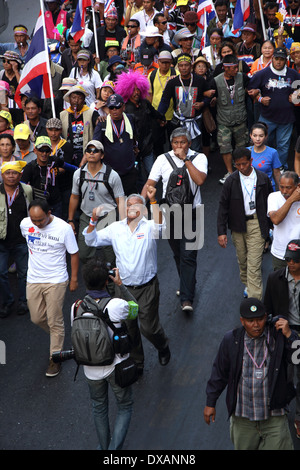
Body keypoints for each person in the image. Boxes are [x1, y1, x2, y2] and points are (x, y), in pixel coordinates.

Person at [83, 187, 171, 374]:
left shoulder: (149, 226)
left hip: (147, 287)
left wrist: (153, 199)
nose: (131, 208)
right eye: (128, 205)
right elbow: (91, 240)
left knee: (149, 328)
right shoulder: (116, 228)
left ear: (144, 210)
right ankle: (138, 362)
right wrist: (93, 219)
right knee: (129, 328)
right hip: (123, 289)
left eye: (136, 205)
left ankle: (162, 346)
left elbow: (161, 228)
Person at [204, 297, 297, 450]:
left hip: (274, 417)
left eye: (260, 319)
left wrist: (290, 335)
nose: (256, 325)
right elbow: (219, 373)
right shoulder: (231, 340)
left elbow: (298, 359)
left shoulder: (278, 336)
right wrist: (210, 402)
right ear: (242, 321)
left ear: (266, 317)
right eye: (250, 321)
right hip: (243, 419)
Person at [70, 259, 137, 450]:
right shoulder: (116, 305)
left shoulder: (76, 307)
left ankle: (104, 446)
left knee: (99, 408)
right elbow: (135, 308)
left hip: (90, 371)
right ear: (106, 281)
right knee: (124, 406)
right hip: (115, 368)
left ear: (85, 281)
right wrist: (120, 285)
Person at [142, 127, 207, 311]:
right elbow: (150, 183)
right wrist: (139, 206)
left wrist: (186, 159)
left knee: (189, 256)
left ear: (189, 143)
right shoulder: (162, 159)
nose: (179, 146)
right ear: (171, 143)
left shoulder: (199, 158)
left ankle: (186, 299)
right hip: (170, 214)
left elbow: (200, 180)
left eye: (183, 142)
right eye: (175, 143)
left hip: (192, 213)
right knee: (178, 254)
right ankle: (187, 284)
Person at [20, 199, 79, 377]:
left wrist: (74, 279)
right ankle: (58, 333)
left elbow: (74, 254)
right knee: (36, 318)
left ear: (49, 213)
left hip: (56, 280)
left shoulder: (64, 229)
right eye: (33, 220)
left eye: (40, 220)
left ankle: (55, 358)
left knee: (54, 319)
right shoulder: (25, 224)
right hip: (34, 279)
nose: (37, 224)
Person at [217, 147, 273, 300]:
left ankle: (255, 306)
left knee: (254, 266)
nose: (241, 167)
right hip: (237, 226)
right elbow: (223, 206)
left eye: (244, 164)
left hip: (257, 223)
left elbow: (271, 202)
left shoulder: (262, 178)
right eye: (238, 165)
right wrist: (221, 232)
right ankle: (249, 285)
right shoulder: (231, 181)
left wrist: (272, 226)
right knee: (243, 262)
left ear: (251, 161)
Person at [264, 239, 300, 439]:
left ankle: (299, 417)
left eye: (295, 260)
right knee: (284, 374)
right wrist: (276, 322)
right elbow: (265, 309)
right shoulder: (274, 279)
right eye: (288, 259)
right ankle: (283, 404)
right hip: (283, 335)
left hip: (296, 337)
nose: (291, 263)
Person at [68, 139, 125, 264]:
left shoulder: (112, 175)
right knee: (83, 254)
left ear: (102, 155)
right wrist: (71, 220)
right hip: (87, 216)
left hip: (108, 218)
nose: (91, 153)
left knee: (111, 257)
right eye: (88, 150)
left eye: (95, 151)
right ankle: (95, 274)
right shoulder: (78, 174)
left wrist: (122, 223)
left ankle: (110, 280)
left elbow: (120, 200)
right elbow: (74, 196)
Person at [248, 47, 300, 171]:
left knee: (283, 146)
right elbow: (250, 90)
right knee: (263, 143)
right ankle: (261, 167)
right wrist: (260, 99)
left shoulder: (293, 74)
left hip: (287, 118)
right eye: (276, 58)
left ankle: (280, 167)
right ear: (272, 59)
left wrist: (295, 97)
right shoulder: (263, 74)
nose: (278, 62)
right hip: (267, 117)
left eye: (281, 59)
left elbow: (298, 91)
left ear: (285, 60)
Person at [115, 70, 165, 190]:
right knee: (138, 177)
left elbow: (154, 113)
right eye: (133, 90)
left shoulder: (145, 103)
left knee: (152, 173)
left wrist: (161, 119)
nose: (136, 93)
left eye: (138, 89)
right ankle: (143, 199)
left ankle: (150, 195)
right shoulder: (124, 107)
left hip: (147, 145)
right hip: (133, 148)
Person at [210, 55, 250, 184]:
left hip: (240, 119)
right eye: (233, 68)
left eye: (236, 67)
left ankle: (242, 171)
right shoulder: (216, 81)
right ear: (225, 68)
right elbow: (207, 93)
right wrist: (209, 97)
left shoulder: (243, 78)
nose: (236, 70)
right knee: (225, 147)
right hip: (223, 121)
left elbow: (253, 86)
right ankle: (230, 172)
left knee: (241, 147)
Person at [157, 53, 209, 152]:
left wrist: (203, 103)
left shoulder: (200, 81)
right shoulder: (173, 83)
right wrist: (159, 116)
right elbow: (165, 101)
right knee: (179, 148)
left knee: (195, 149)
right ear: (178, 67)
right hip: (178, 121)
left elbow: (208, 97)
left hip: (195, 121)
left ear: (191, 66)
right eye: (181, 65)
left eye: (186, 65)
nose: (184, 68)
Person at [0, 160, 32, 318]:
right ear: (2, 175)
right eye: (8, 173)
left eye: (14, 173)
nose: (11, 176)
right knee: (1, 273)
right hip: (2, 241)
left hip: (21, 240)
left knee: (24, 273)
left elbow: (32, 212)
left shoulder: (27, 190)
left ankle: (23, 301)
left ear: (20, 175)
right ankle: (7, 301)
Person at [93, 93, 138, 196]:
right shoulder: (102, 123)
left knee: (129, 203)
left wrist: (135, 147)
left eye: (117, 107)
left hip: (129, 171)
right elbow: (95, 145)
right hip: (110, 173)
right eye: (111, 107)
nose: (114, 110)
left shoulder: (130, 119)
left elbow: (135, 135)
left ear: (123, 107)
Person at [21, 136, 63, 218]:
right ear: (35, 151)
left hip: (55, 204)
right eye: (41, 150)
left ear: (50, 151)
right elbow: (22, 186)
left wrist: (58, 171)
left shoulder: (55, 160)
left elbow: (69, 167)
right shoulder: (30, 167)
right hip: (38, 206)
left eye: (47, 151)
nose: (44, 154)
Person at [267, 171, 300, 270]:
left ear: (297, 186)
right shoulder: (273, 197)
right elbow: (276, 220)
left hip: (299, 254)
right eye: (281, 187)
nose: (284, 191)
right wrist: (291, 200)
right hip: (280, 253)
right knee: (280, 284)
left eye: (288, 188)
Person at [60, 84, 99, 167]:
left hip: (85, 153)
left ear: (84, 100)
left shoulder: (91, 113)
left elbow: (97, 123)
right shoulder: (63, 115)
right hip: (68, 154)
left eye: (80, 98)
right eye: (73, 97)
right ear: (69, 99)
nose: (76, 101)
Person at [148, 50, 177, 156]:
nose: (165, 65)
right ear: (158, 62)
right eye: (162, 62)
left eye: (167, 62)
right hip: (157, 115)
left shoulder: (176, 74)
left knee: (173, 142)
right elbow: (149, 95)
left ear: (171, 63)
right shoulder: (152, 74)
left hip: (172, 115)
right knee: (157, 143)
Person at [248, 122, 281, 191]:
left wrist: (282, 190)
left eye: (261, 136)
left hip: (267, 188)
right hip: (249, 189)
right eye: (254, 135)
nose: (257, 139)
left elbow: (277, 173)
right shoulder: (246, 151)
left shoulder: (272, 152)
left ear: (266, 136)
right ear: (250, 135)